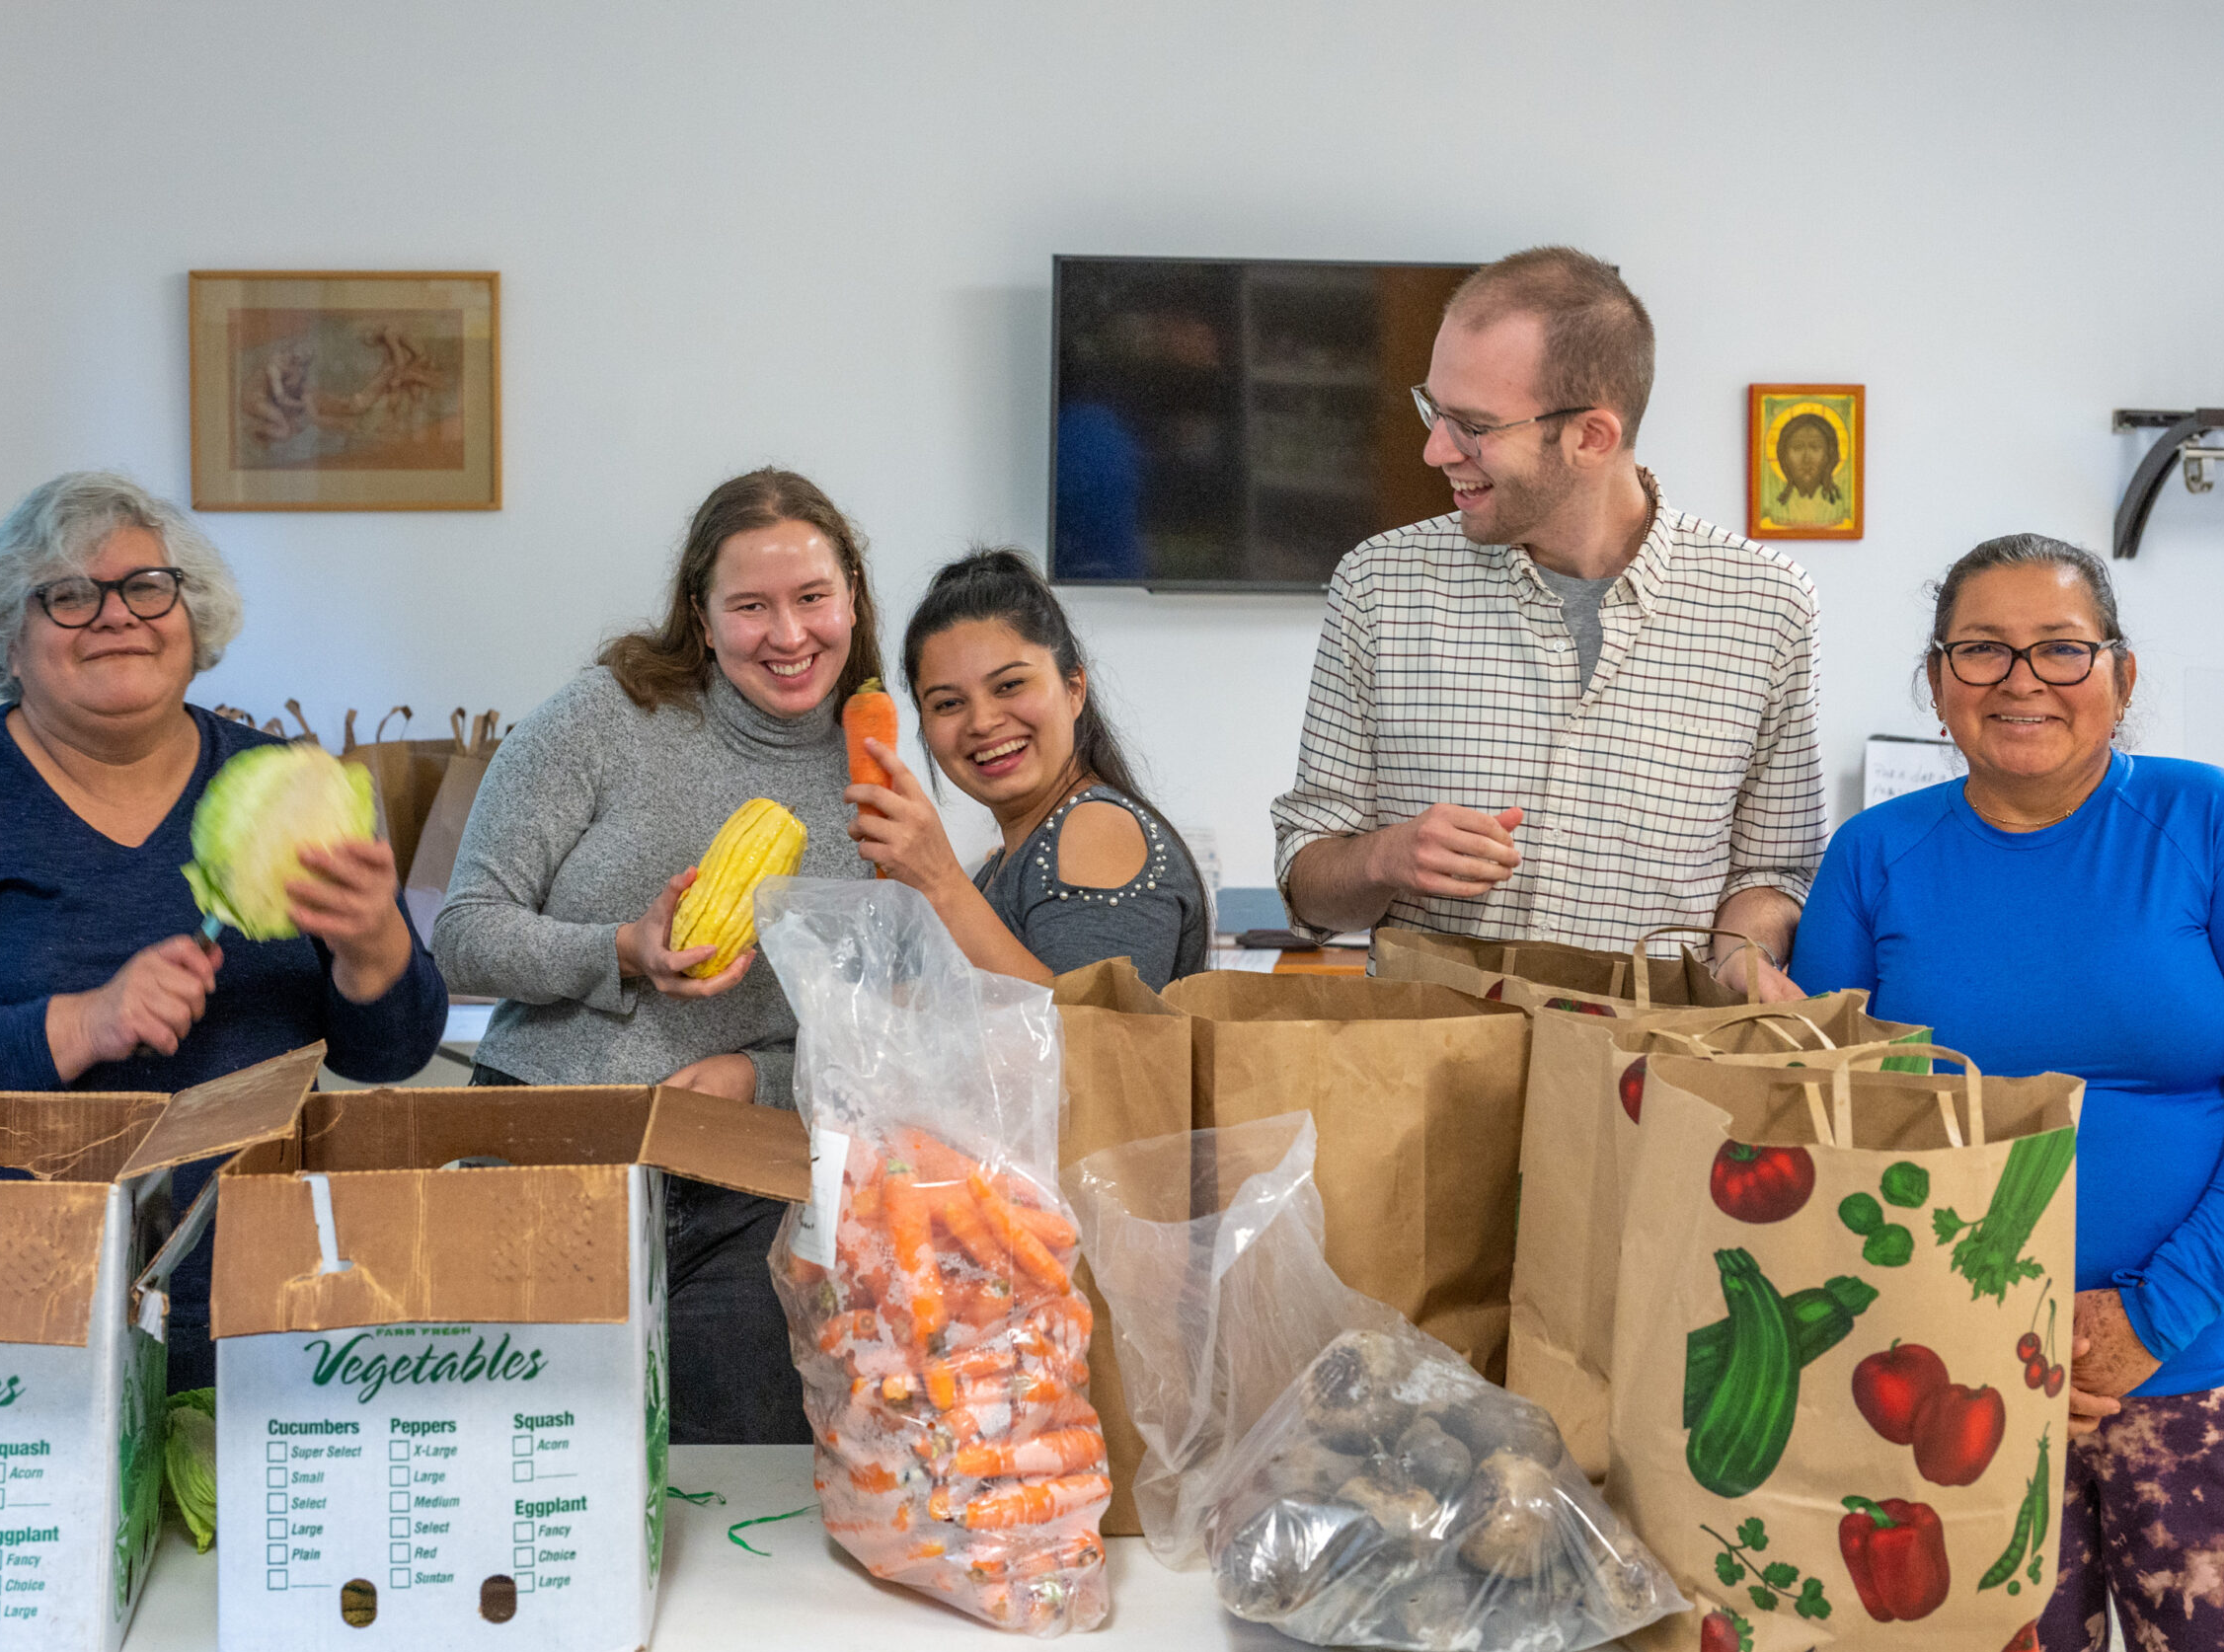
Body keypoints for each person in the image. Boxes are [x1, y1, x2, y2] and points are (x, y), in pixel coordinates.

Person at [1793, 534, 2224, 1652]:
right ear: (1937, 684)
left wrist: (2147, 1320)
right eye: (1981, 651)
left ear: (2120, 678)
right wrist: (2001, 1343)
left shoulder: (2208, 823)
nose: (2021, 680)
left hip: (2210, 1373)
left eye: (2059, 649)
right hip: (1952, 1394)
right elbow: (1827, 1126)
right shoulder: (1870, 858)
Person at [0, 470, 448, 1389]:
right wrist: (83, 1024)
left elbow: (388, 1055)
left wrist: (376, 951)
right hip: (7, 1311)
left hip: (270, 1304)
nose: (117, 615)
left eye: (148, 587)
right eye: (68, 596)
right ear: (12, 641)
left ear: (194, 621)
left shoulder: (283, 786)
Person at [431, 467, 883, 1445]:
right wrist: (624, 951)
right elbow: (463, 933)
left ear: (852, 592)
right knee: (531, 1453)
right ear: (701, 614)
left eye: (812, 597)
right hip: (554, 1147)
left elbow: (870, 1031)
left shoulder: (875, 770)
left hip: (745, 1186)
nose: (789, 634)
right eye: (751, 606)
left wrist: (750, 1077)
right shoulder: (608, 715)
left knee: (738, 1474)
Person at [1270, 247, 1822, 999]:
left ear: (1591, 437)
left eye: (1473, 425)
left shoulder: (1769, 604)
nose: (1435, 449)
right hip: (1424, 1080)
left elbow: (1769, 873)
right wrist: (1386, 858)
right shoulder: (1379, 584)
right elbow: (1308, 882)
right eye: (1434, 409)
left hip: (1653, 1084)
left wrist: (1744, 956)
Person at [845, 549, 1206, 988]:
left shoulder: (1095, 828)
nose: (982, 722)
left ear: (1074, 689)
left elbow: (1090, 1039)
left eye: (1010, 685)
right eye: (948, 704)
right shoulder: (1004, 861)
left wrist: (940, 882)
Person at [1766, 410, 1848, 528]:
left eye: (1815, 447)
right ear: (1784, 456)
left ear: (1829, 455)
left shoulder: (1839, 507)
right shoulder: (1773, 507)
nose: (1806, 459)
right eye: (1797, 447)